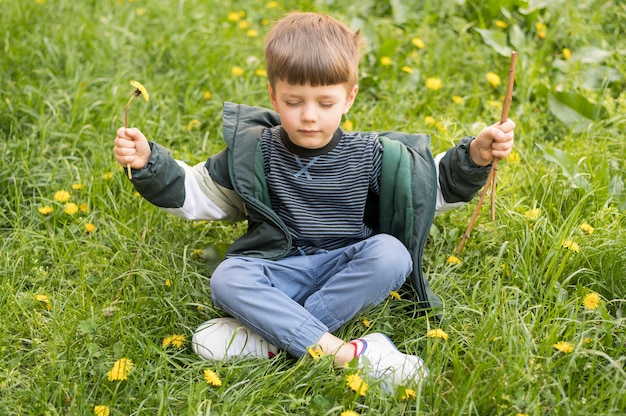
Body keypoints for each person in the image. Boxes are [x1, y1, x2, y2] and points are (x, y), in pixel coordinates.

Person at [113, 11, 515, 391]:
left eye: (325, 103)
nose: (309, 116)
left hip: (344, 268)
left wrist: (475, 156)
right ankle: (347, 353)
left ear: (349, 97)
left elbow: (427, 189)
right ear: (273, 95)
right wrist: (151, 163)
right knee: (228, 277)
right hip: (277, 271)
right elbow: (199, 193)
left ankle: (274, 338)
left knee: (392, 254)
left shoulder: (370, 155)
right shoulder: (256, 152)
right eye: (293, 102)